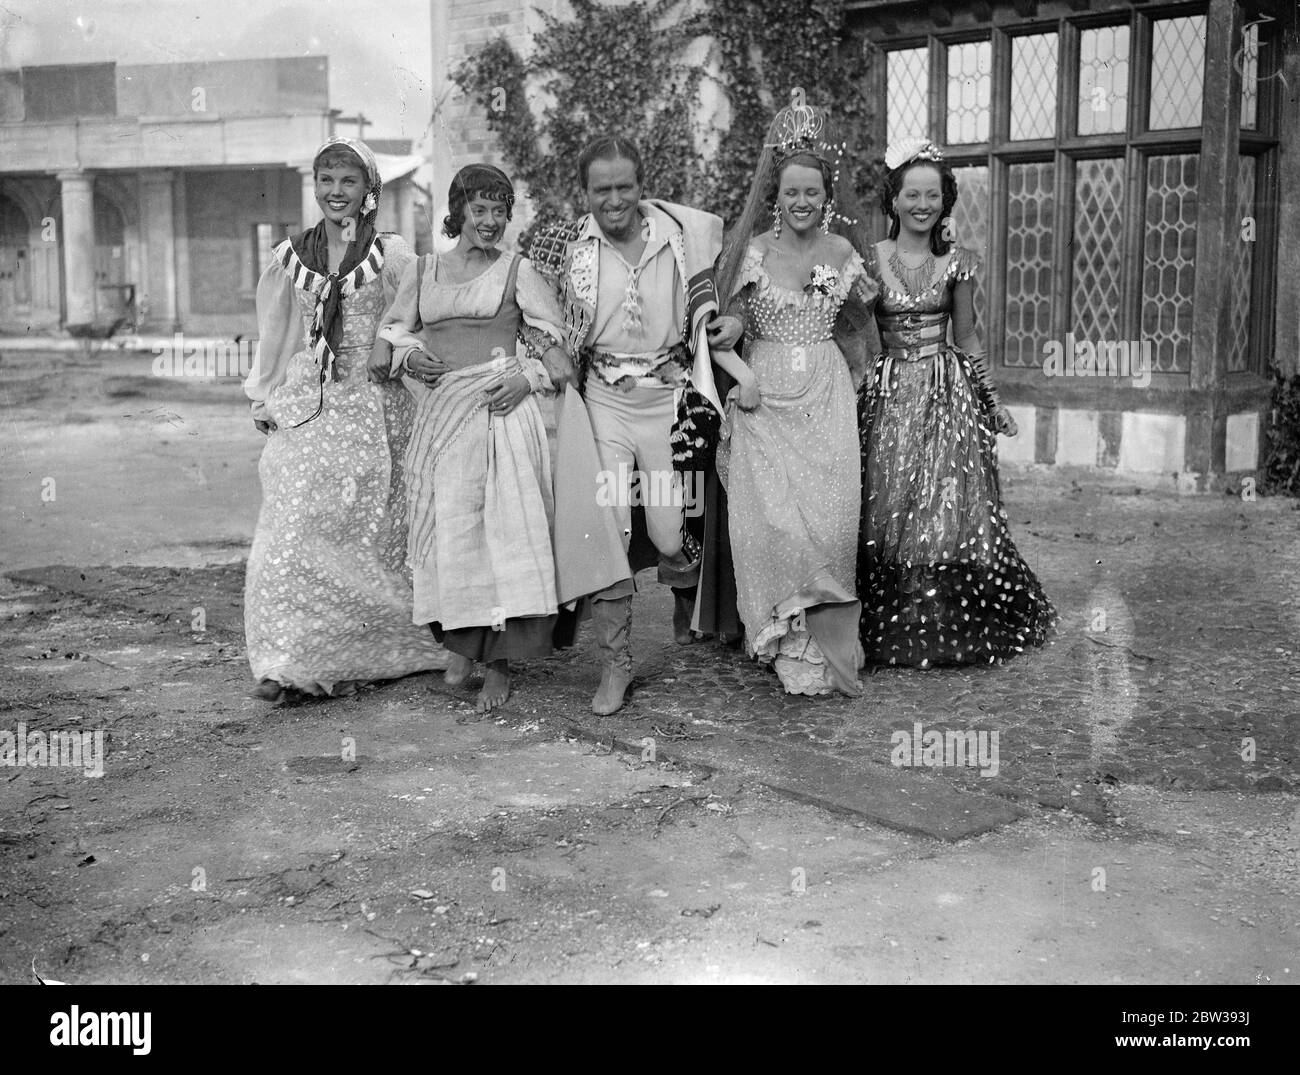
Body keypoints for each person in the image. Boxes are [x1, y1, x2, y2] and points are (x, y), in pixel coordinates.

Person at [529, 135, 741, 715]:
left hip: (666, 401)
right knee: (610, 527)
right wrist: (550, 351)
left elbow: (723, 292)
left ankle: (680, 580)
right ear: (586, 192)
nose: (614, 199)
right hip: (605, 404)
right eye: (602, 189)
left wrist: (724, 324)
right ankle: (615, 663)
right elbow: (537, 315)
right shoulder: (570, 247)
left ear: (641, 185)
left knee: (672, 530)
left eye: (624, 186)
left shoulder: (679, 239)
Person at [242, 136, 449, 700]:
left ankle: (381, 644)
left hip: (376, 402)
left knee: (373, 532)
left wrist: (396, 346)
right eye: (326, 180)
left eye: (348, 181)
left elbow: (412, 319)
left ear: (367, 191)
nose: (336, 192)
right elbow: (280, 331)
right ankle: (287, 660)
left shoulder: (392, 255)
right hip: (312, 399)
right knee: (290, 519)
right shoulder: (294, 256)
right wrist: (265, 395)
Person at [379, 164, 573, 712]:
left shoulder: (518, 271)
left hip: (500, 413)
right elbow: (394, 329)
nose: (490, 222)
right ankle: (462, 648)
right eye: (479, 210)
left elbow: (554, 347)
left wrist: (524, 379)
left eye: (499, 212)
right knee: (453, 536)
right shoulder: (422, 270)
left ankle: (500, 665)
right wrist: (411, 355)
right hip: (443, 420)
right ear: (458, 209)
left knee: (501, 539)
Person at [857, 136, 1056, 667]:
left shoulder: (958, 263)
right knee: (887, 497)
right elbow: (855, 333)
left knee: (941, 501)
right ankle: (888, 609)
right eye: (911, 195)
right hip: (887, 391)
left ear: (945, 202)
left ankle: (937, 612)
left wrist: (992, 403)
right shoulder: (867, 261)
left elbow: (968, 338)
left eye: (933, 196)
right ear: (893, 200)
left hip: (946, 395)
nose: (922, 206)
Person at [708, 94, 877, 696]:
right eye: (791, 193)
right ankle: (788, 637)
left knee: (830, 522)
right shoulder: (752, 252)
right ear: (774, 196)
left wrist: (859, 378)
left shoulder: (842, 255)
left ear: (827, 197)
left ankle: (829, 636)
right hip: (766, 396)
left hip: (825, 398)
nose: (801, 202)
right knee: (775, 522)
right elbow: (717, 327)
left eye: (812, 193)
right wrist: (739, 363)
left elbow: (860, 323)